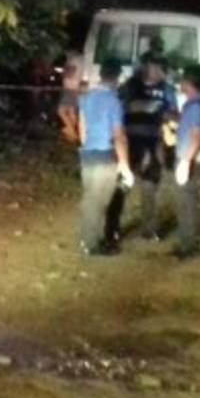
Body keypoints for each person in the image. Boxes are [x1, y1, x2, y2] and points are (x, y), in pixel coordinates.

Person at [106, 55, 177, 244]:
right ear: (145, 67)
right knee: (122, 186)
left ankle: (149, 229)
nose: (160, 71)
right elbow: (116, 111)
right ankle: (111, 229)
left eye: (162, 68)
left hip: (153, 142)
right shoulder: (129, 87)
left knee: (150, 186)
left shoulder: (167, 90)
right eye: (155, 66)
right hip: (130, 143)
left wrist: (169, 120)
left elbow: (173, 113)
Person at [78, 61, 134, 256]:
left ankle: (89, 239)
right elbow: (119, 135)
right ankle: (91, 243)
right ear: (117, 78)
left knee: (90, 198)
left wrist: (86, 145)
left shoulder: (87, 97)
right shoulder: (113, 101)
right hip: (105, 154)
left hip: (88, 153)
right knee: (98, 201)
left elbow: (82, 128)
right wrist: (124, 165)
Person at [172, 66, 200, 260]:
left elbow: (197, 136)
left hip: (192, 160)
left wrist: (185, 162)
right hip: (194, 158)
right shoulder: (198, 103)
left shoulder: (196, 106)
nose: (180, 84)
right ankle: (190, 242)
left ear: (189, 83)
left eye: (182, 80)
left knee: (187, 203)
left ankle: (189, 246)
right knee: (190, 202)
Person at [57, 52, 83, 142]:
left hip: (70, 87)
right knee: (71, 111)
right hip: (76, 87)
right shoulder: (82, 58)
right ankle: (71, 133)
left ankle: (72, 132)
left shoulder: (73, 60)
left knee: (61, 111)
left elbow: (69, 73)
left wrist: (63, 71)